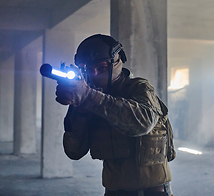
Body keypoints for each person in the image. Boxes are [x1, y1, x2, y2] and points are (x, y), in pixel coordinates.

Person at [55, 34, 175, 196]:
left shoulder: (139, 88)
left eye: (102, 67)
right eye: (89, 70)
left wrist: (89, 96)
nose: (95, 74)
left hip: (151, 192)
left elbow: (142, 123)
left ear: (117, 62)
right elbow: (74, 151)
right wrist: (81, 111)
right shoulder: (88, 97)